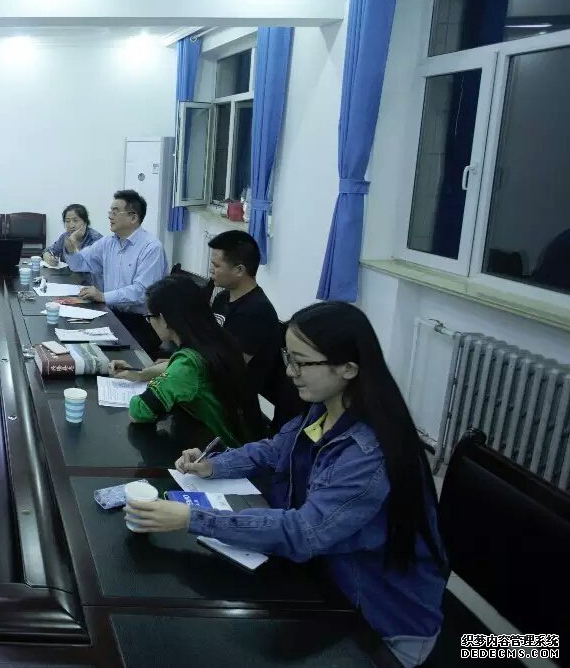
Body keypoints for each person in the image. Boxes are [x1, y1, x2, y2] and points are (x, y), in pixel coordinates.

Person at [125, 302, 448, 667]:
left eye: (302, 363)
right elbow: (275, 448)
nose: (290, 372)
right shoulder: (328, 407)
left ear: (348, 368)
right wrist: (214, 465)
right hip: (324, 577)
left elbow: (303, 532)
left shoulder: (368, 454)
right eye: (288, 358)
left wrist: (191, 518)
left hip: (377, 622)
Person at [109, 276, 263, 448]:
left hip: (224, 451)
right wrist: (142, 374)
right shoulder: (215, 339)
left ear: (164, 320)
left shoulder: (188, 364)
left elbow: (139, 411)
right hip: (246, 439)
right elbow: (179, 368)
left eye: (150, 316)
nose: (149, 322)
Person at [206, 230, 305, 431]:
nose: (211, 270)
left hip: (235, 406)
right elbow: (207, 345)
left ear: (239, 270)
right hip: (215, 389)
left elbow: (229, 365)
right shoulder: (222, 298)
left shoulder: (256, 311)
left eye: (216, 266)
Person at [63, 190, 168, 355]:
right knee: (74, 339)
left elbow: (142, 292)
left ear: (133, 218)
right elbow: (81, 264)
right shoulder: (108, 242)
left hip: (142, 323)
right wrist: (71, 249)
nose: (110, 216)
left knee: (110, 357)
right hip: (112, 314)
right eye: (110, 211)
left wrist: (103, 296)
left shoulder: (151, 248)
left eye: (115, 212)